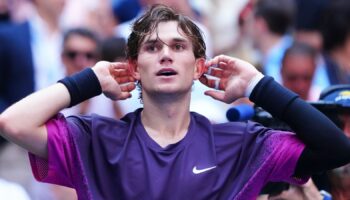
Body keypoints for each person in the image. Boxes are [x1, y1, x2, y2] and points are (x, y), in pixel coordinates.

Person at [0, 4, 350, 199]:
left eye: (178, 47)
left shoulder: (240, 142)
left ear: (198, 67)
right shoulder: (95, 138)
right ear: (134, 68)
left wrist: (258, 85)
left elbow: (337, 148)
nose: (166, 55)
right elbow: (12, 123)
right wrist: (89, 80)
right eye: (152, 47)